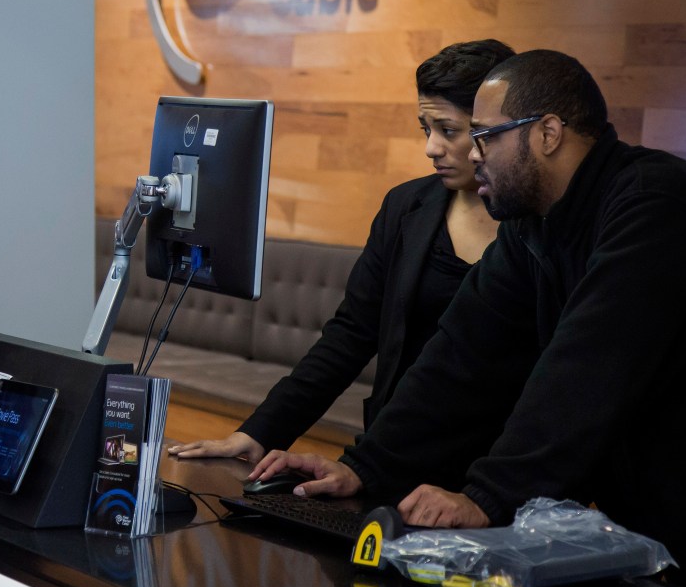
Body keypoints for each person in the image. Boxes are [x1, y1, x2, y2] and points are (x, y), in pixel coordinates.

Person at [252, 50, 686, 587]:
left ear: (547, 132)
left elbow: (586, 368)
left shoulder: (654, 204)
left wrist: (489, 496)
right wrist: (366, 467)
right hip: (653, 521)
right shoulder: (534, 226)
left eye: (485, 136)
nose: (474, 155)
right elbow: (461, 353)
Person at [170, 39, 515, 463]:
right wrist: (261, 432)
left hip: (497, 469)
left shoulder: (539, 227)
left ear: (491, 127)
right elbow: (351, 335)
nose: (430, 147)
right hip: (393, 453)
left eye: (448, 130)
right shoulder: (407, 207)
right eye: (426, 130)